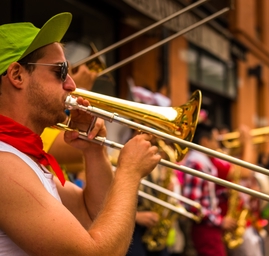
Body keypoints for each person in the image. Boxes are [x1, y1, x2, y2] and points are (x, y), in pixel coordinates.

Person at [0, 12, 161, 255]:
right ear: (17, 75)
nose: (72, 84)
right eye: (60, 71)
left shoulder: (21, 157)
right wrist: (128, 173)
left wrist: (94, 151)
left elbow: (94, 217)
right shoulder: (5, 165)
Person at [180, 123, 237, 256]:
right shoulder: (197, 163)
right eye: (215, 140)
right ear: (205, 141)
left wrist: (223, 194)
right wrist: (220, 221)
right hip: (205, 228)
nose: (217, 145)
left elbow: (202, 195)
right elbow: (193, 204)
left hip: (208, 227)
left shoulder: (202, 162)